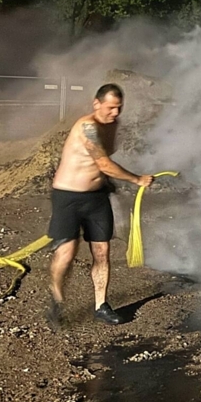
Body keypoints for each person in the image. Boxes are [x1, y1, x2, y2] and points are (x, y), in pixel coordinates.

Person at [45, 84, 153, 327]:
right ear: (97, 104)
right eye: (111, 107)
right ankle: (56, 299)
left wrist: (105, 182)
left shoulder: (113, 125)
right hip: (68, 196)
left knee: (102, 251)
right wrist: (136, 179)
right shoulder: (87, 126)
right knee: (67, 253)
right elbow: (103, 163)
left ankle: (101, 305)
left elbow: (104, 160)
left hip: (96, 198)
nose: (115, 113)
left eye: (119, 108)